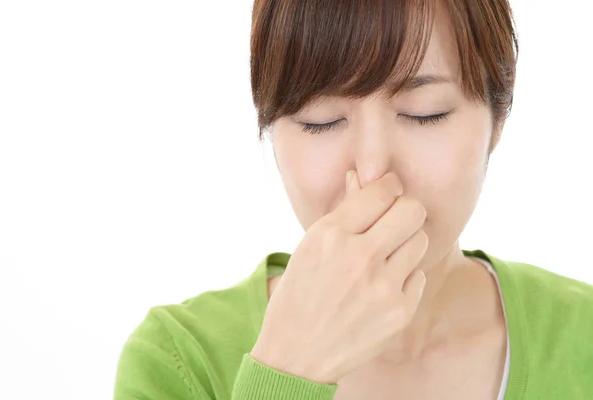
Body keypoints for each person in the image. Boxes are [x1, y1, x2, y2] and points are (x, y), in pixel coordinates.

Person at [114, 0, 593, 399]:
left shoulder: (582, 340)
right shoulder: (179, 361)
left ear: (497, 120)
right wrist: (289, 368)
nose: (371, 172)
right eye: (319, 120)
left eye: (424, 114)